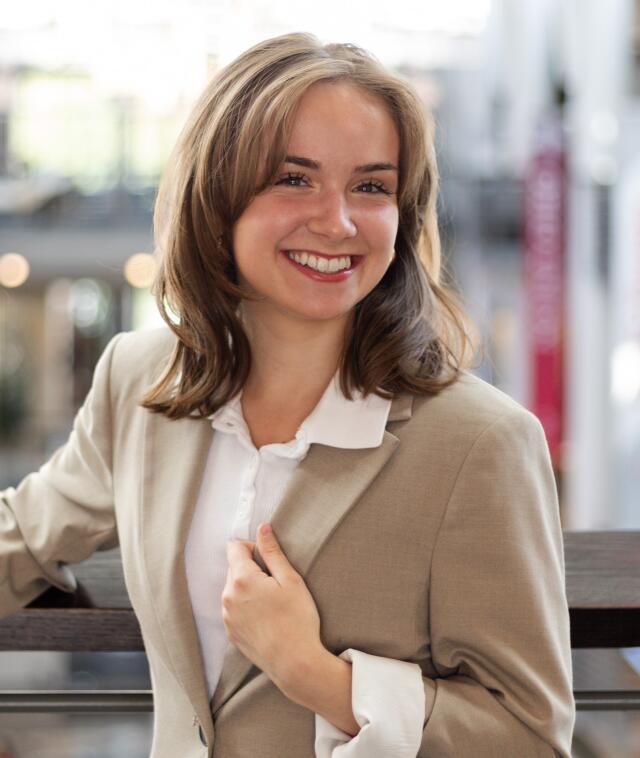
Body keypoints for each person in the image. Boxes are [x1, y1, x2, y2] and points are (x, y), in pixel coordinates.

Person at [0, 32, 575, 758]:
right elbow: (24, 537)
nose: (336, 222)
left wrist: (318, 675)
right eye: (294, 179)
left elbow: (530, 735)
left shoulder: (480, 443)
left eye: (371, 186)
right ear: (218, 198)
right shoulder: (142, 378)